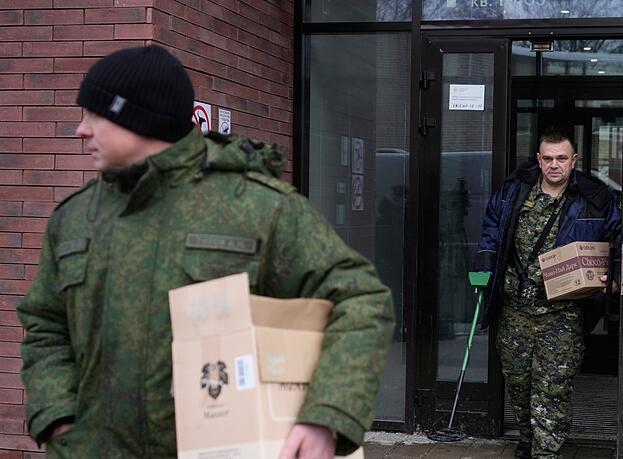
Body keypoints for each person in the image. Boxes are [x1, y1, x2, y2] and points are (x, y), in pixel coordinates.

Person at [17, 45, 394, 459]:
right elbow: (46, 324)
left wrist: (326, 415)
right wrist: (57, 415)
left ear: (137, 115)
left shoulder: (256, 207)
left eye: (94, 114)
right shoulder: (74, 218)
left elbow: (360, 300)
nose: (80, 130)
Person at [474, 127, 620, 458]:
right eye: (549, 158)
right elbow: (490, 232)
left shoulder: (595, 198)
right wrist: (485, 265)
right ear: (539, 160)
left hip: (562, 313)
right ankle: (528, 439)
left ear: (574, 160)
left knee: (553, 389)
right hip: (515, 310)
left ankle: (546, 452)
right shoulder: (513, 193)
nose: (555, 165)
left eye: (562, 158)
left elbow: (619, 238)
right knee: (519, 385)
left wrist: (615, 276)